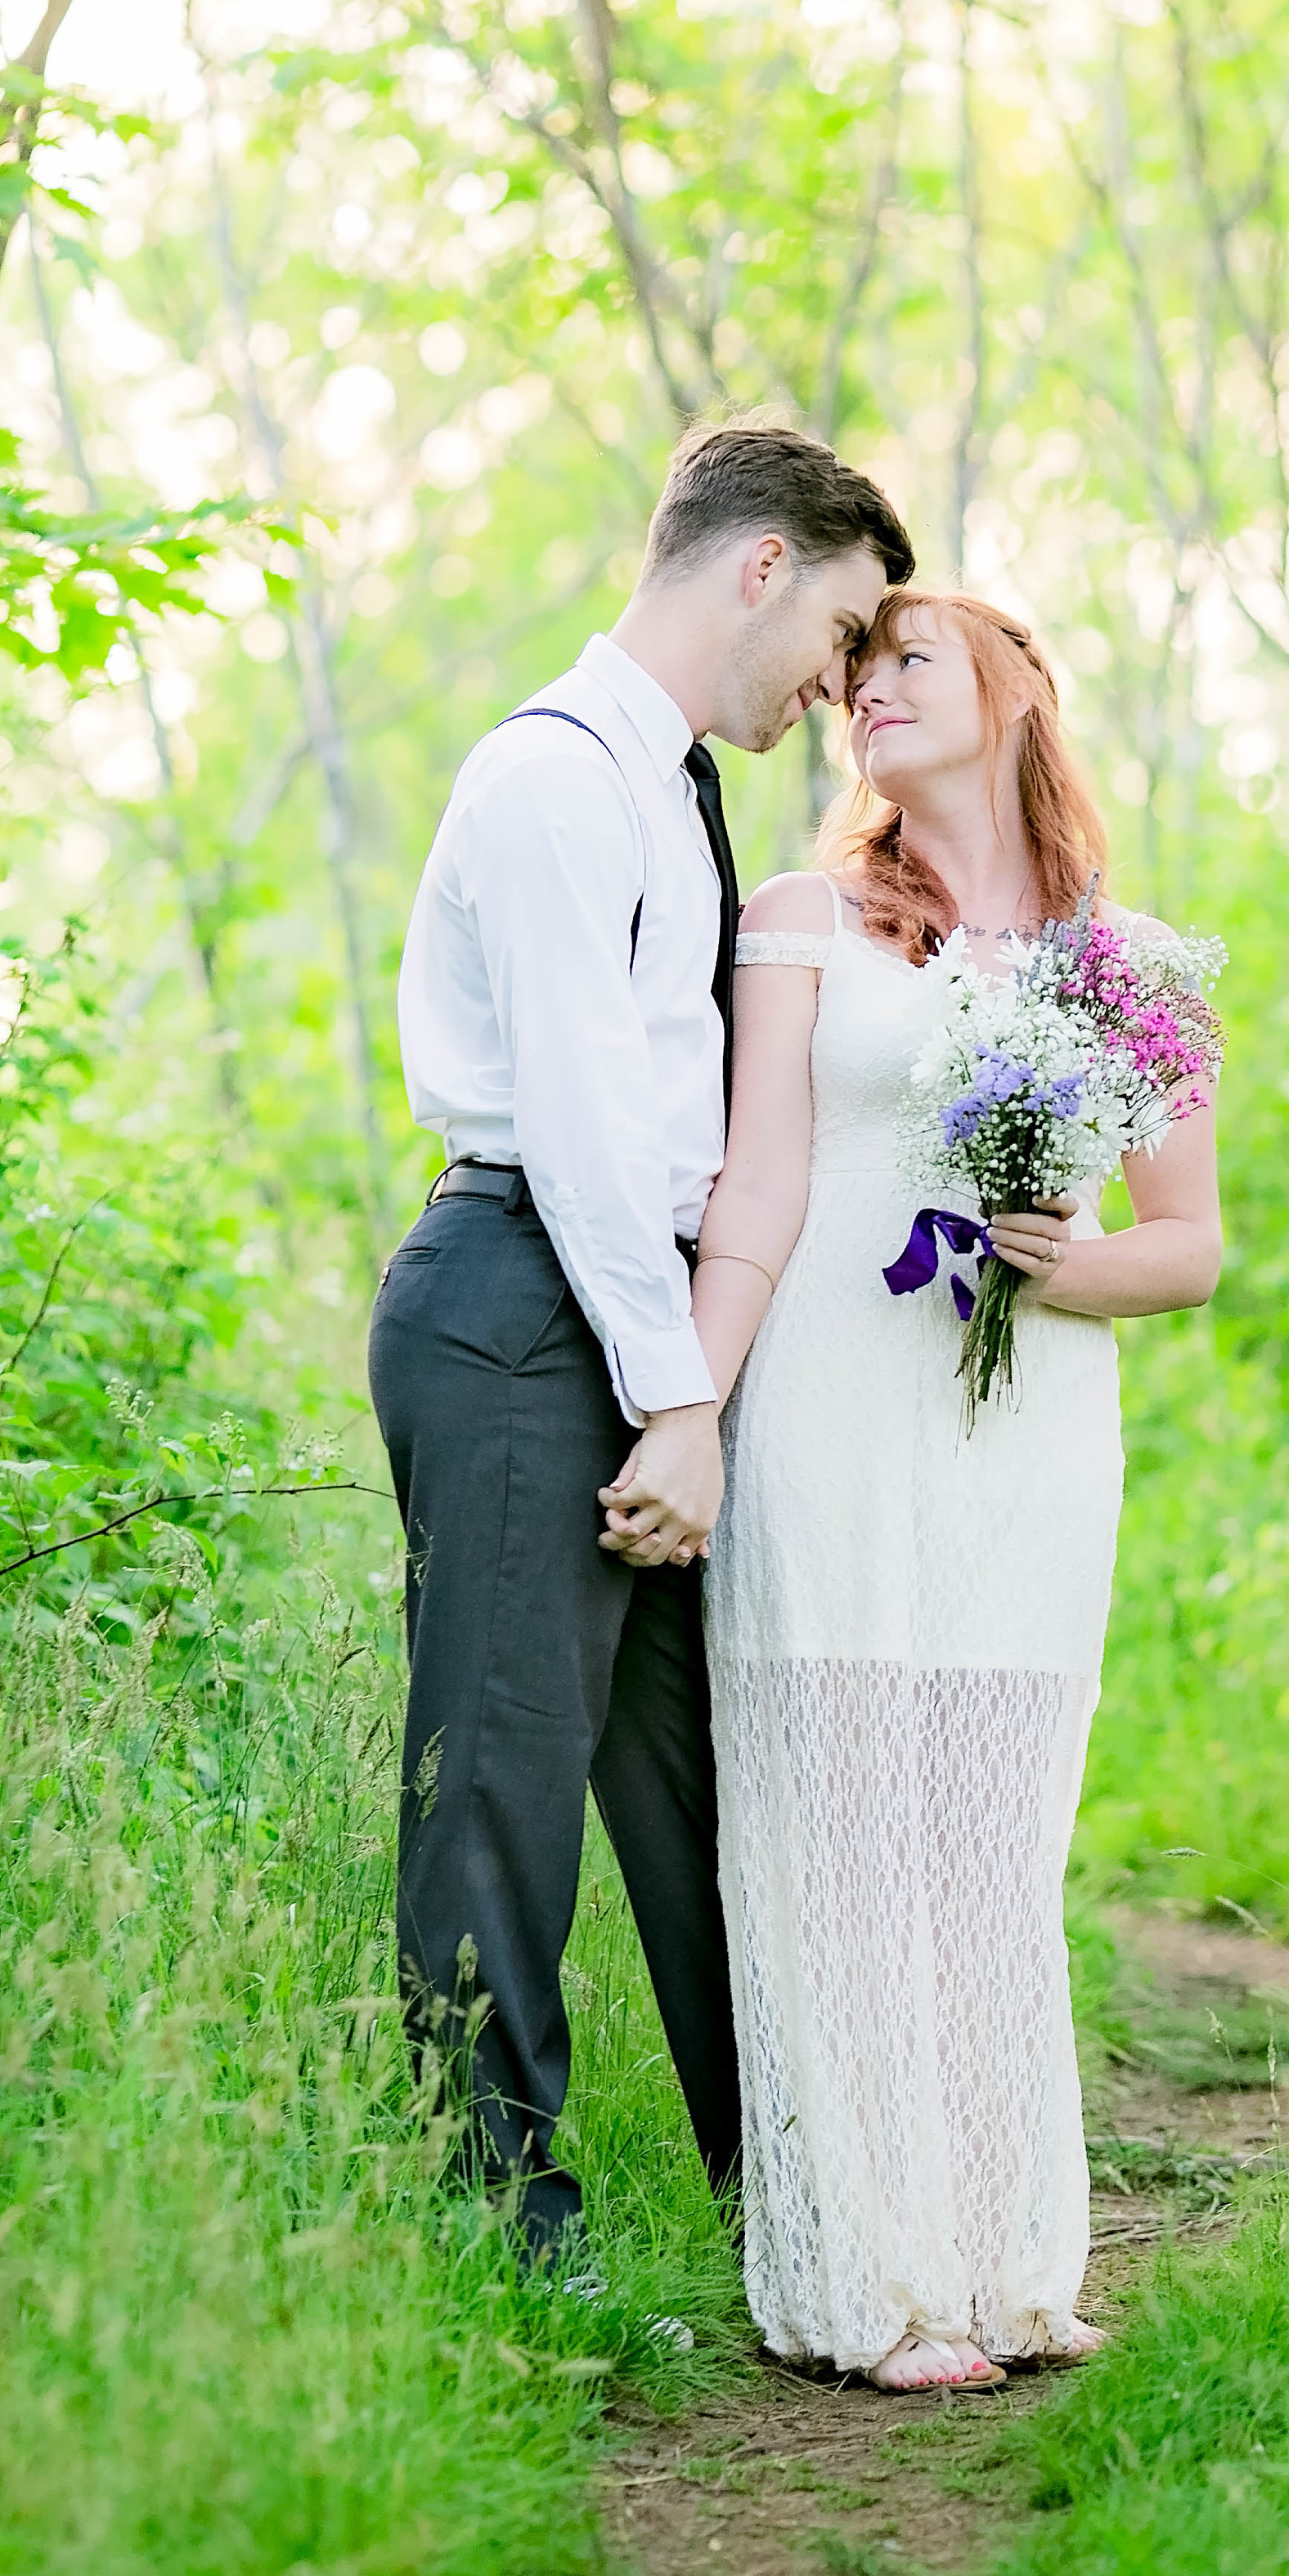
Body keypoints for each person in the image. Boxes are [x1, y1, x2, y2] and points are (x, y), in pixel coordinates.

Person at [370, 420, 914, 2255]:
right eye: (841, 631)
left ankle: (806, 2201)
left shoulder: (665, 788)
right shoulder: (551, 782)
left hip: (620, 1298)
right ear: (760, 564)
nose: (839, 686)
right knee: (504, 1778)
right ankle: (498, 2226)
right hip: (526, 1303)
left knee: (712, 1775)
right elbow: (590, 1127)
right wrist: (673, 1399)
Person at [689, 590, 1223, 2392]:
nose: (868, 692)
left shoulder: (1128, 962)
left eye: (910, 657)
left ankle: (1011, 2265)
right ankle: (873, 2285)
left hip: (1030, 1439)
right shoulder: (793, 921)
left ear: (1013, 693)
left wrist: (1059, 1270)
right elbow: (755, 1185)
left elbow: (1192, 1251)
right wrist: (688, 1407)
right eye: (852, 674)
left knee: (991, 1848)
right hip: (829, 1417)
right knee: (834, 1844)